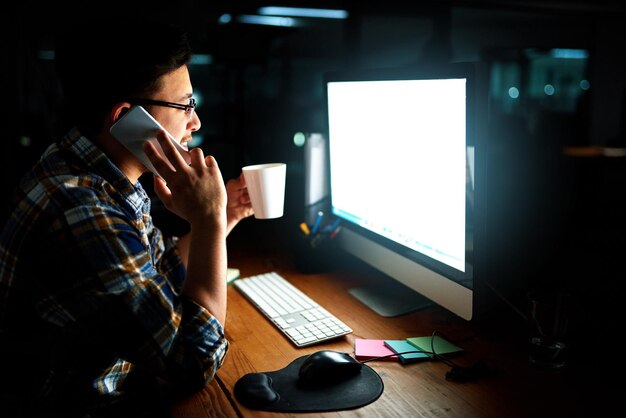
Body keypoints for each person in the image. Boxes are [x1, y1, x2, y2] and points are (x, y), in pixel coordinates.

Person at [0, 18, 253, 417]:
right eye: (184, 105)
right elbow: (192, 360)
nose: (195, 122)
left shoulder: (93, 172)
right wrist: (208, 222)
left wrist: (226, 215)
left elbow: (165, 273)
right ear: (124, 119)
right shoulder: (80, 210)